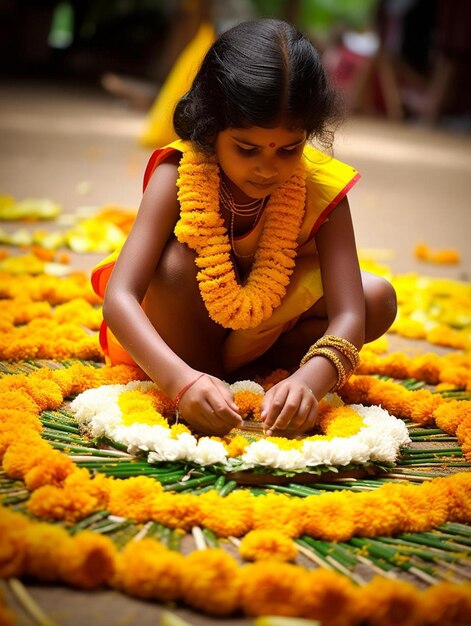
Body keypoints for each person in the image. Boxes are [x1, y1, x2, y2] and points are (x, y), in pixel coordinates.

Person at [92, 19, 397, 438]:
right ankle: (207, 380)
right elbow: (119, 298)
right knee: (175, 265)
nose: (268, 167)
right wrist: (180, 383)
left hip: (268, 333)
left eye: (289, 149)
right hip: (184, 330)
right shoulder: (178, 173)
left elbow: (350, 314)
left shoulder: (320, 184)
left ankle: (269, 381)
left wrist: (311, 380)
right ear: (211, 128)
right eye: (247, 148)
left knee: (376, 297)